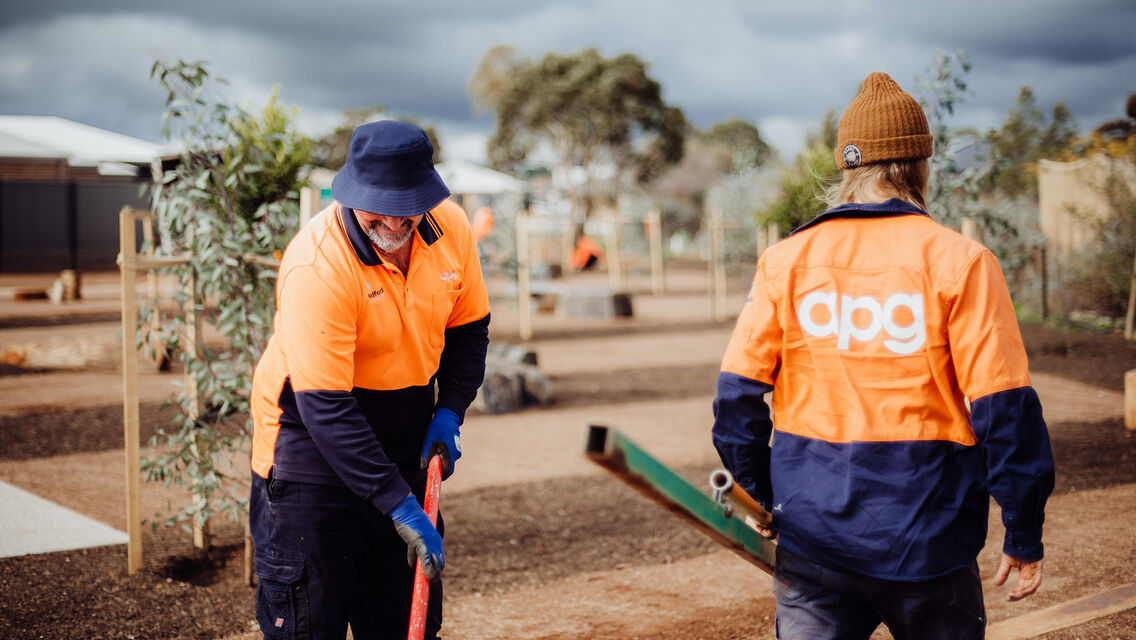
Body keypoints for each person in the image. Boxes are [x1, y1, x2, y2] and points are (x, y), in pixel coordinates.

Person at [711, 72, 1055, 639]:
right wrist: (1023, 529)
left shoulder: (785, 261)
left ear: (848, 169)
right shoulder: (962, 261)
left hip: (813, 541)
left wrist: (764, 500)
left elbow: (737, 398)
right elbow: (1005, 408)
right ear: (921, 165)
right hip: (929, 543)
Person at [249, 120, 490, 640]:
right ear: (352, 193)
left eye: (408, 203)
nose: (394, 219)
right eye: (379, 203)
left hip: (403, 439)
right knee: (312, 626)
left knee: (405, 624)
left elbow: (469, 331)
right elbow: (327, 407)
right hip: (308, 453)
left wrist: (449, 411)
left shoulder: (451, 228)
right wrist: (398, 502)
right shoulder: (318, 264)